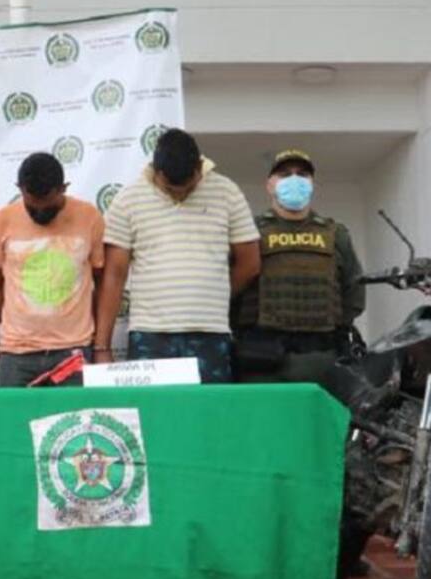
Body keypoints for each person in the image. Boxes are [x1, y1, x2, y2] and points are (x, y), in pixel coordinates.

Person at [94, 128, 261, 383]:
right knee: (153, 408)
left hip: (210, 333)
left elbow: (250, 264)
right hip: (150, 335)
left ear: (199, 168)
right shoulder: (128, 199)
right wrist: (102, 347)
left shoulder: (227, 192)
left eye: (187, 186)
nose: (179, 193)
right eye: (171, 188)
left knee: (208, 407)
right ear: (157, 172)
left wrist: (212, 293)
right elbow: (114, 276)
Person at [233, 149, 365, 387]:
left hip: (319, 354)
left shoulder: (336, 234)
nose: (294, 179)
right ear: (269, 185)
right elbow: (231, 288)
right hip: (261, 355)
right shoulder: (249, 232)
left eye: (302, 174)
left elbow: (354, 292)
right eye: (285, 174)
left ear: (312, 184)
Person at [0, 152, 105, 387]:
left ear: (63, 189)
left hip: (73, 350)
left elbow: (101, 280)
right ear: (20, 189)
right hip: (16, 353)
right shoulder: (2, 220)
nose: (39, 212)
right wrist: (13, 322)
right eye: (32, 206)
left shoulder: (89, 217)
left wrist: (99, 343)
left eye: (48, 206)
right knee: (12, 412)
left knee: (76, 412)